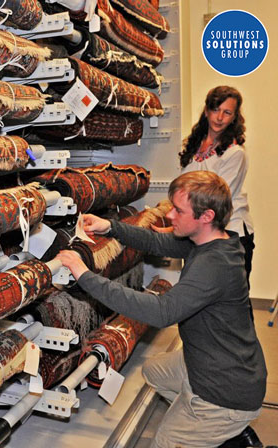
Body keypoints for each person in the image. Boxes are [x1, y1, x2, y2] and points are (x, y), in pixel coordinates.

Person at [56, 171, 266, 447]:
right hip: (217, 364)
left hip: (225, 390)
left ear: (206, 217)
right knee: (155, 371)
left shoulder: (214, 265)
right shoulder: (210, 241)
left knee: (164, 442)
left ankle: (221, 427)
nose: (170, 216)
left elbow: (161, 312)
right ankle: (219, 431)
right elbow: (155, 241)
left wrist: (84, 274)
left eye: (179, 211)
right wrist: (110, 227)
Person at [179, 86, 254, 285]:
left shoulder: (235, 152)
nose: (219, 117)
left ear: (234, 117)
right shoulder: (194, 145)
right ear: (206, 111)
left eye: (227, 112)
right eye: (215, 109)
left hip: (231, 234)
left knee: (232, 301)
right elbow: (184, 187)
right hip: (199, 230)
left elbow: (216, 199)